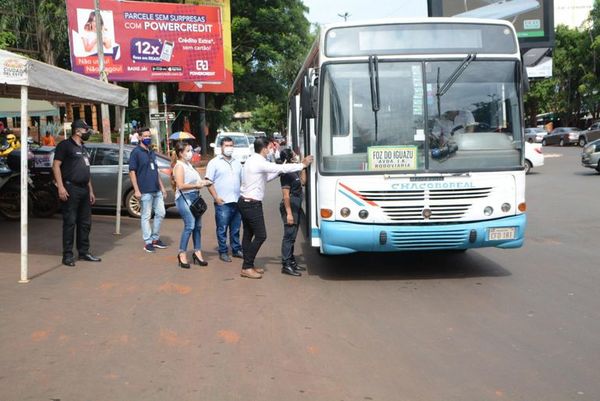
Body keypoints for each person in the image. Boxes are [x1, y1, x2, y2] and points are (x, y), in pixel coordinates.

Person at [237, 137, 314, 279]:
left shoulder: (251, 160)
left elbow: (266, 177)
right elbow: (280, 167)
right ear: (264, 148)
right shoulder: (259, 162)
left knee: (248, 234)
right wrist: (301, 165)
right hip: (251, 204)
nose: (272, 150)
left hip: (245, 202)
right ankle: (247, 267)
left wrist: (279, 172)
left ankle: (248, 264)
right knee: (261, 235)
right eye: (270, 147)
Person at [51, 119, 101, 267]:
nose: (88, 133)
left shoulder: (84, 148)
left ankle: (84, 252)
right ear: (78, 131)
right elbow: (56, 166)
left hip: (84, 189)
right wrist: (60, 187)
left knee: (85, 223)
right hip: (70, 188)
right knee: (70, 222)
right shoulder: (65, 146)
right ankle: (67, 255)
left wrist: (90, 190)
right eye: (86, 131)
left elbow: (86, 171)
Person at [172, 141, 213, 269]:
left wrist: (204, 182)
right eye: (188, 151)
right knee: (190, 225)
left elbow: (196, 180)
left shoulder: (189, 165)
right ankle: (182, 253)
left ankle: (197, 252)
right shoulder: (179, 166)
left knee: (198, 226)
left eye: (191, 150)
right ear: (180, 153)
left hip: (195, 197)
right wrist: (197, 185)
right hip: (184, 198)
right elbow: (180, 185)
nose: (191, 153)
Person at [204, 136, 243, 263]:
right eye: (226, 145)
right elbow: (208, 182)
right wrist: (216, 197)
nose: (229, 148)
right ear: (221, 147)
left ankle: (236, 249)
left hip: (236, 201)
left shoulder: (237, 163)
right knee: (222, 228)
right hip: (223, 202)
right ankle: (223, 251)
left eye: (231, 145)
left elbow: (242, 180)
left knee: (236, 228)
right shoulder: (214, 163)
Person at [129, 127, 168, 253]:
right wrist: (136, 190)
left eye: (149, 136)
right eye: (145, 136)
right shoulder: (136, 152)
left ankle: (155, 239)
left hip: (156, 189)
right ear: (140, 137)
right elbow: (132, 172)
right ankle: (148, 242)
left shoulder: (151, 151)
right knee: (146, 216)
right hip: (144, 190)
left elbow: (155, 170)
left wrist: (162, 188)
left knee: (161, 213)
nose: (148, 138)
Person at [278, 148, 307, 276]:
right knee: (289, 236)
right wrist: (289, 213)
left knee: (293, 236)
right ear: (289, 157)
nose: (296, 155)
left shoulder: (293, 170)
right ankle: (286, 264)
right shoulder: (286, 173)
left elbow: (303, 182)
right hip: (289, 206)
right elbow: (285, 196)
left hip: (296, 205)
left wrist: (303, 167)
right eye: (294, 154)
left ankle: (292, 261)